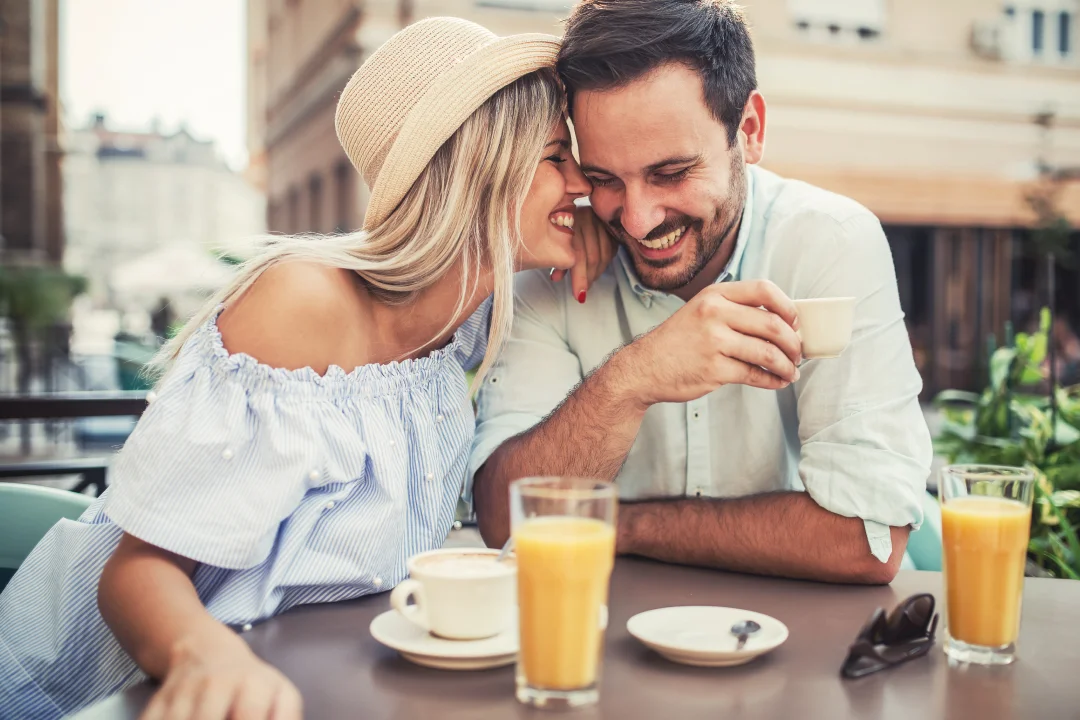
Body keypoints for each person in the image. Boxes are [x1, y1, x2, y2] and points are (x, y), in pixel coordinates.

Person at [0, 18, 610, 720]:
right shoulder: (301, 302)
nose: (583, 185)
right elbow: (137, 573)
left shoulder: (465, 317)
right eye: (559, 158)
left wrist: (582, 231)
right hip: (110, 697)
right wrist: (207, 654)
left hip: (314, 689)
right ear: (481, 163)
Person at [470, 0, 933, 585]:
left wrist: (616, 525)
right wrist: (631, 378)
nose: (636, 220)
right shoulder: (552, 267)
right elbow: (503, 523)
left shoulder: (831, 242)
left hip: (804, 645)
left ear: (751, 130)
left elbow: (867, 540)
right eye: (606, 179)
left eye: (671, 173)